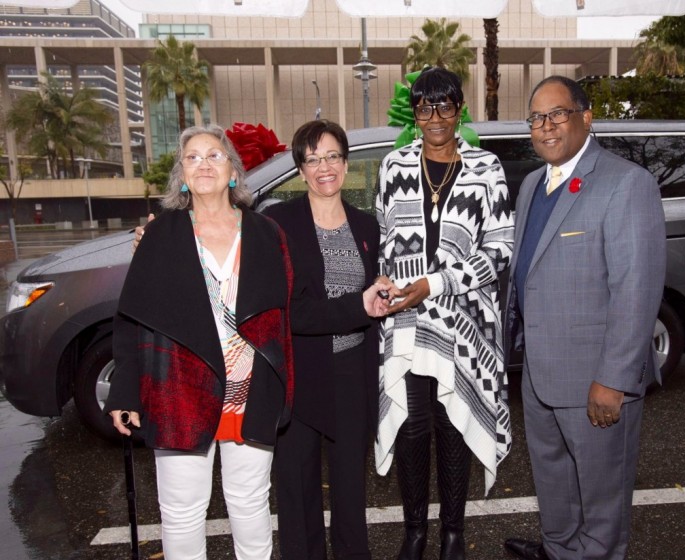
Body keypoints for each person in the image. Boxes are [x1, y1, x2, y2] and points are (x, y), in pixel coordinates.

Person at [107, 124, 390, 560]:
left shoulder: (263, 232)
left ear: (234, 173)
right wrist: (126, 390)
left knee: (251, 504)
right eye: (193, 157)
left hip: (250, 391)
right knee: (182, 514)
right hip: (182, 392)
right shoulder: (161, 235)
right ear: (182, 174)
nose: (204, 164)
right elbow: (132, 318)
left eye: (215, 156)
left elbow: (288, 308)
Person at [503, 76, 666, 560]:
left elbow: (636, 291)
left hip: (595, 378)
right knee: (553, 478)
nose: (546, 126)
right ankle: (558, 550)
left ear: (586, 116)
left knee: (600, 497)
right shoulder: (533, 183)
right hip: (539, 372)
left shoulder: (626, 183)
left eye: (557, 114)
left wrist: (613, 380)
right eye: (537, 117)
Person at [374, 66, 514, 560]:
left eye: (446, 106)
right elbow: (386, 242)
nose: (435, 117)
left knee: (453, 422)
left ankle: (452, 533)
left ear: (460, 109)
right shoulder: (393, 167)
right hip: (407, 323)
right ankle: (415, 532)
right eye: (425, 107)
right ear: (415, 113)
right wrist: (388, 284)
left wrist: (433, 283)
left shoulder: (486, 168)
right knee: (412, 426)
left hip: (463, 320)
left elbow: (499, 251)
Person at [264, 119, 380, 559]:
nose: (323, 166)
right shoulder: (278, 223)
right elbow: (287, 310)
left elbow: (372, 295)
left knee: (351, 494)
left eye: (332, 156)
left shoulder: (366, 226)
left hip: (352, 376)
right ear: (300, 170)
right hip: (298, 376)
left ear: (346, 164)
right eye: (311, 159)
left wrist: (382, 293)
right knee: (297, 498)